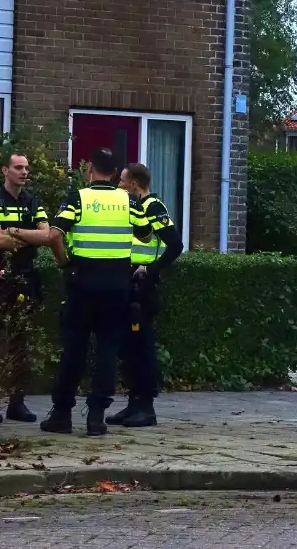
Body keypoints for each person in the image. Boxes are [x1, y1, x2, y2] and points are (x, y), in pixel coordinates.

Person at [39, 148, 154, 437]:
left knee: (74, 349)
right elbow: (147, 234)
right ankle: (96, 417)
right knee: (107, 351)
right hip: (117, 285)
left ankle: (62, 414)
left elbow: (54, 234)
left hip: (84, 282)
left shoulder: (78, 197)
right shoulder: (128, 200)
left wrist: (64, 262)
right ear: (115, 174)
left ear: (90, 169)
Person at [0, 151, 53, 424]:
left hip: (26, 277)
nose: (24, 172)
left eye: (26, 167)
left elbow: (48, 235)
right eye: (18, 167)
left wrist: (16, 232)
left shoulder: (32, 201)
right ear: (4, 171)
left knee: (22, 341)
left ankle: (17, 403)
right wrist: (27, 235)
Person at [107, 163, 183, 428]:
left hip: (142, 288)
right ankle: (133, 404)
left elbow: (175, 244)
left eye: (122, 180)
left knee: (143, 347)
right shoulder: (134, 208)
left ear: (134, 185)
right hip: (127, 284)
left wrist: (150, 270)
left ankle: (146, 408)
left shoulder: (153, 207)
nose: (119, 184)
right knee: (129, 348)